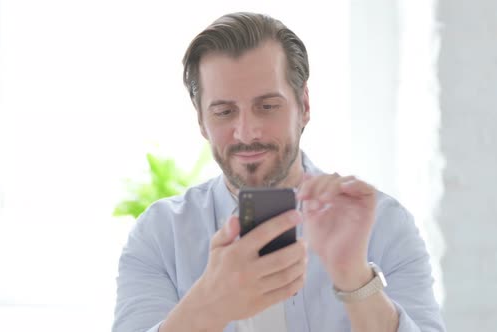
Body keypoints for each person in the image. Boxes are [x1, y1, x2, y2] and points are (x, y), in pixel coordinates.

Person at [113, 12, 446, 332]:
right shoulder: (159, 235)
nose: (246, 132)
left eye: (267, 106)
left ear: (304, 106)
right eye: (225, 111)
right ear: (201, 121)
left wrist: (354, 276)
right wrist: (210, 304)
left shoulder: (383, 224)